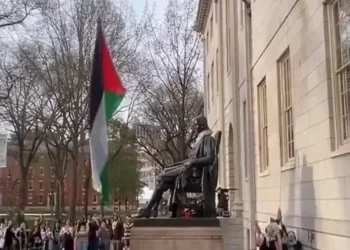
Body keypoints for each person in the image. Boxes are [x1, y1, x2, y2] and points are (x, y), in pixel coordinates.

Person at [137, 115, 218, 218]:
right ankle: (152, 209)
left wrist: (193, 162)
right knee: (163, 178)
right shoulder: (201, 138)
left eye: (195, 125)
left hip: (194, 174)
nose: (194, 128)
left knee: (162, 178)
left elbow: (210, 158)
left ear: (202, 126)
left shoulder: (208, 139)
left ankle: (151, 209)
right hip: (188, 169)